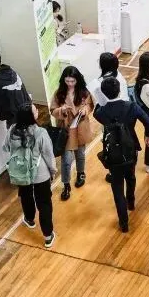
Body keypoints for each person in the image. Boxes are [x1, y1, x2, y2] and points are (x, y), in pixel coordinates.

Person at [93, 77, 149, 233]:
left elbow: (96, 113)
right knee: (131, 176)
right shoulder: (131, 106)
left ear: (104, 93)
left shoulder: (102, 112)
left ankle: (124, 223)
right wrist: (148, 135)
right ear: (120, 89)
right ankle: (131, 202)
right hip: (130, 149)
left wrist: (100, 101)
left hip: (113, 153)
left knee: (117, 187)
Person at [3, 104, 56, 248]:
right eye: (35, 110)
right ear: (32, 116)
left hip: (21, 171)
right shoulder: (41, 133)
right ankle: (48, 235)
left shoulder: (12, 130)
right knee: (44, 203)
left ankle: (29, 219)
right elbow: (48, 154)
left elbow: (5, 147)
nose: (37, 110)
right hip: (40, 174)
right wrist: (53, 171)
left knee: (25, 195)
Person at [50, 66, 95, 198]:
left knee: (80, 155)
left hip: (80, 128)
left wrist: (85, 110)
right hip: (66, 131)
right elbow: (53, 110)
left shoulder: (83, 92)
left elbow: (90, 105)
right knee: (66, 160)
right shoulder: (59, 93)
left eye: (72, 81)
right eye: (67, 81)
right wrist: (62, 110)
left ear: (77, 80)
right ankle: (66, 184)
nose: (70, 84)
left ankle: (81, 173)